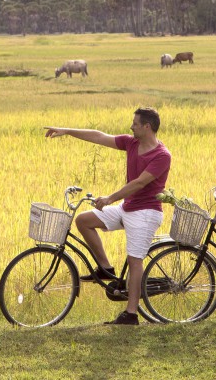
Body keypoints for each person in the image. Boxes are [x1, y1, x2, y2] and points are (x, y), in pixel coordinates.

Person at [44, 107, 171, 326]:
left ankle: (131, 314)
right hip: (128, 207)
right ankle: (106, 269)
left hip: (146, 213)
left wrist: (110, 198)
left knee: (135, 260)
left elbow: (140, 182)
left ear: (147, 127)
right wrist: (66, 130)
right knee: (83, 220)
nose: (131, 126)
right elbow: (99, 136)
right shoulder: (131, 143)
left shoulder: (161, 155)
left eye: (135, 123)